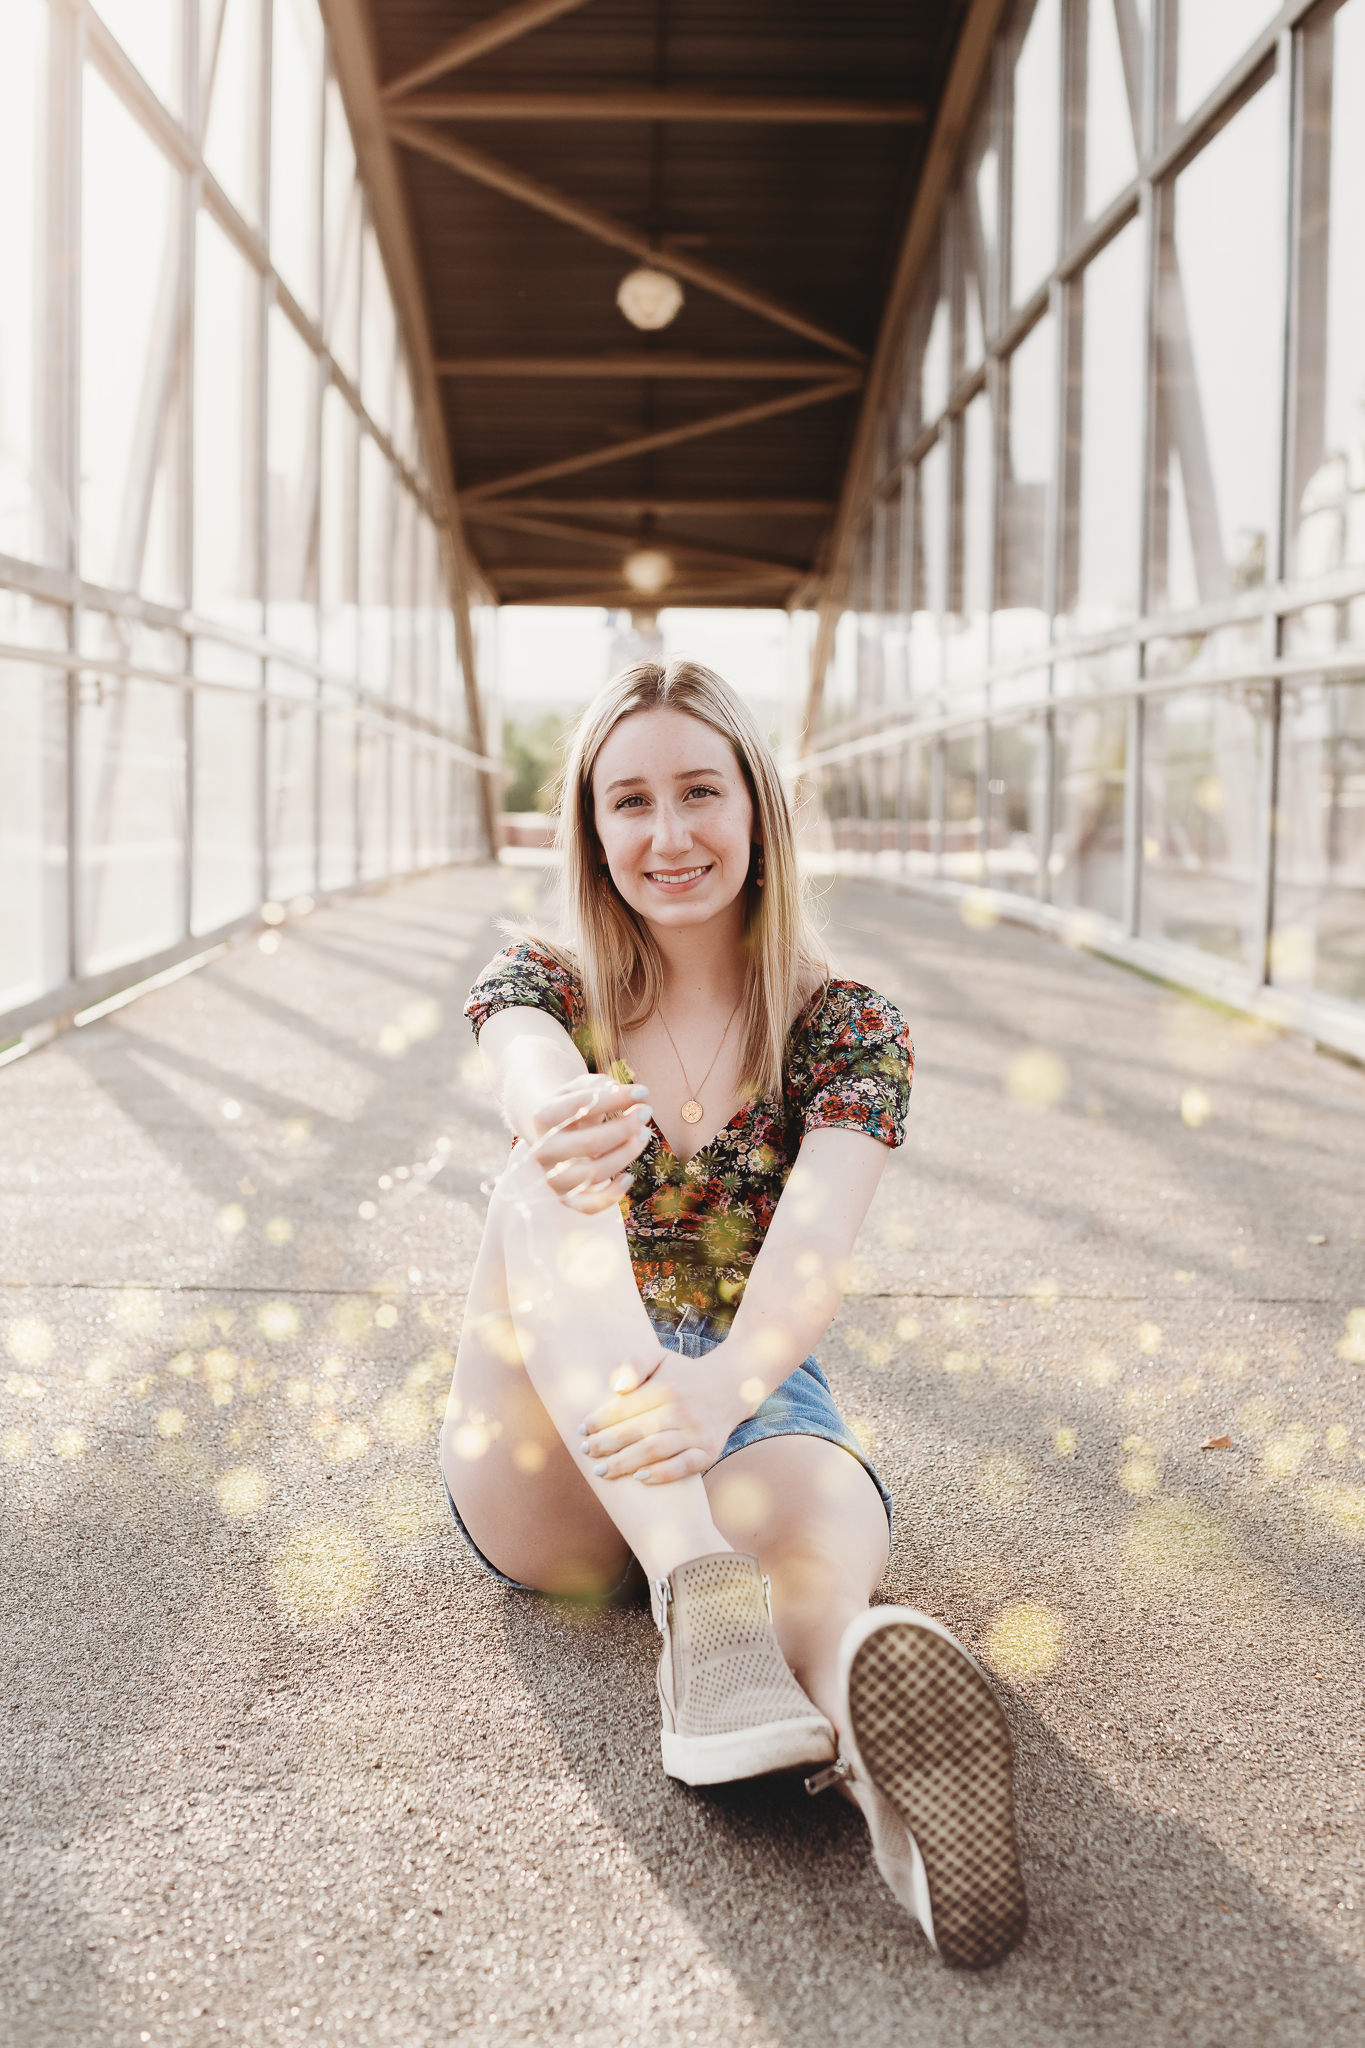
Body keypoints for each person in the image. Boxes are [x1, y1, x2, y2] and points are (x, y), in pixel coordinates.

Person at [441, 659, 1027, 1970]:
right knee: (544, 1175)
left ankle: (897, 1795)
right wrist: (561, 1112)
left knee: (826, 1595)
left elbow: (816, 1242)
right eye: (629, 801)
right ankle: (699, 1595)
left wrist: (724, 1388)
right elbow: (527, 1074)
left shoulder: (846, 1025)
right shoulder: (544, 982)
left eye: (700, 791)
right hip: (549, 1432)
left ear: (758, 806)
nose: (669, 835)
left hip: (750, 1402)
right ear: (592, 830)